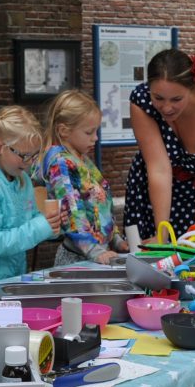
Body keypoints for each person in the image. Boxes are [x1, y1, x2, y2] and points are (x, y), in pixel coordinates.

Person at [123, 49, 195, 241]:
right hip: (155, 199)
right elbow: (159, 169)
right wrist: (161, 232)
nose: (167, 108)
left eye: (176, 99)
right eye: (158, 98)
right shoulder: (142, 101)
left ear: (192, 88)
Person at [0, 105, 62, 281]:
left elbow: (31, 220)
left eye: (34, 155)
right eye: (24, 155)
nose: (30, 162)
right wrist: (41, 227)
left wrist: (50, 225)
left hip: (11, 276)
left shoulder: (23, 181)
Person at [35, 90, 128, 265]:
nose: (95, 138)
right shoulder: (61, 164)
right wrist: (94, 249)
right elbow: (72, 209)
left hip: (97, 253)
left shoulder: (81, 159)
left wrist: (115, 238)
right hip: (78, 257)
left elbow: (100, 206)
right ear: (63, 131)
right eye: (89, 132)